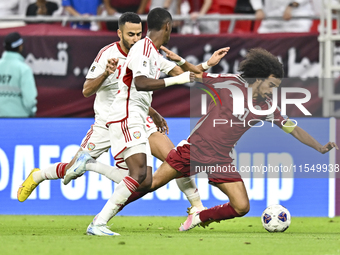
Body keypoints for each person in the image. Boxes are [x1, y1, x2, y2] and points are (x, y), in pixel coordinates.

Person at [17, 12, 228, 233]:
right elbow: (87, 90)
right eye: (130, 34)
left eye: (138, 33)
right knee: (75, 169)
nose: (134, 38)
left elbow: (168, 76)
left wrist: (205, 65)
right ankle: (39, 175)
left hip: (136, 117)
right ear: (119, 33)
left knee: (173, 158)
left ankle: (196, 206)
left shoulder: (147, 51)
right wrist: (105, 74)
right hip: (107, 122)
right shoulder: (107, 54)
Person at [95, 47, 338, 232]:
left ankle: (199, 216)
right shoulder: (230, 83)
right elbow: (196, 76)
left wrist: (319, 146)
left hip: (220, 158)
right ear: (260, 77)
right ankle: (103, 218)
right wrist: (179, 61)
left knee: (242, 207)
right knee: (149, 185)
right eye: (271, 84)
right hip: (193, 150)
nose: (272, 90)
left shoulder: (266, 107)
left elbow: (292, 128)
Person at [0, 32, 37, 117]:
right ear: (20, 47)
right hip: (19, 120)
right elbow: (29, 100)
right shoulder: (24, 69)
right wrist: (32, 112)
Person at [250, 0, 315, 33]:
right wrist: (258, 9)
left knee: (298, 41)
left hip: (297, 14)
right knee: (263, 37)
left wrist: (292, 5)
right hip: (272, 15)